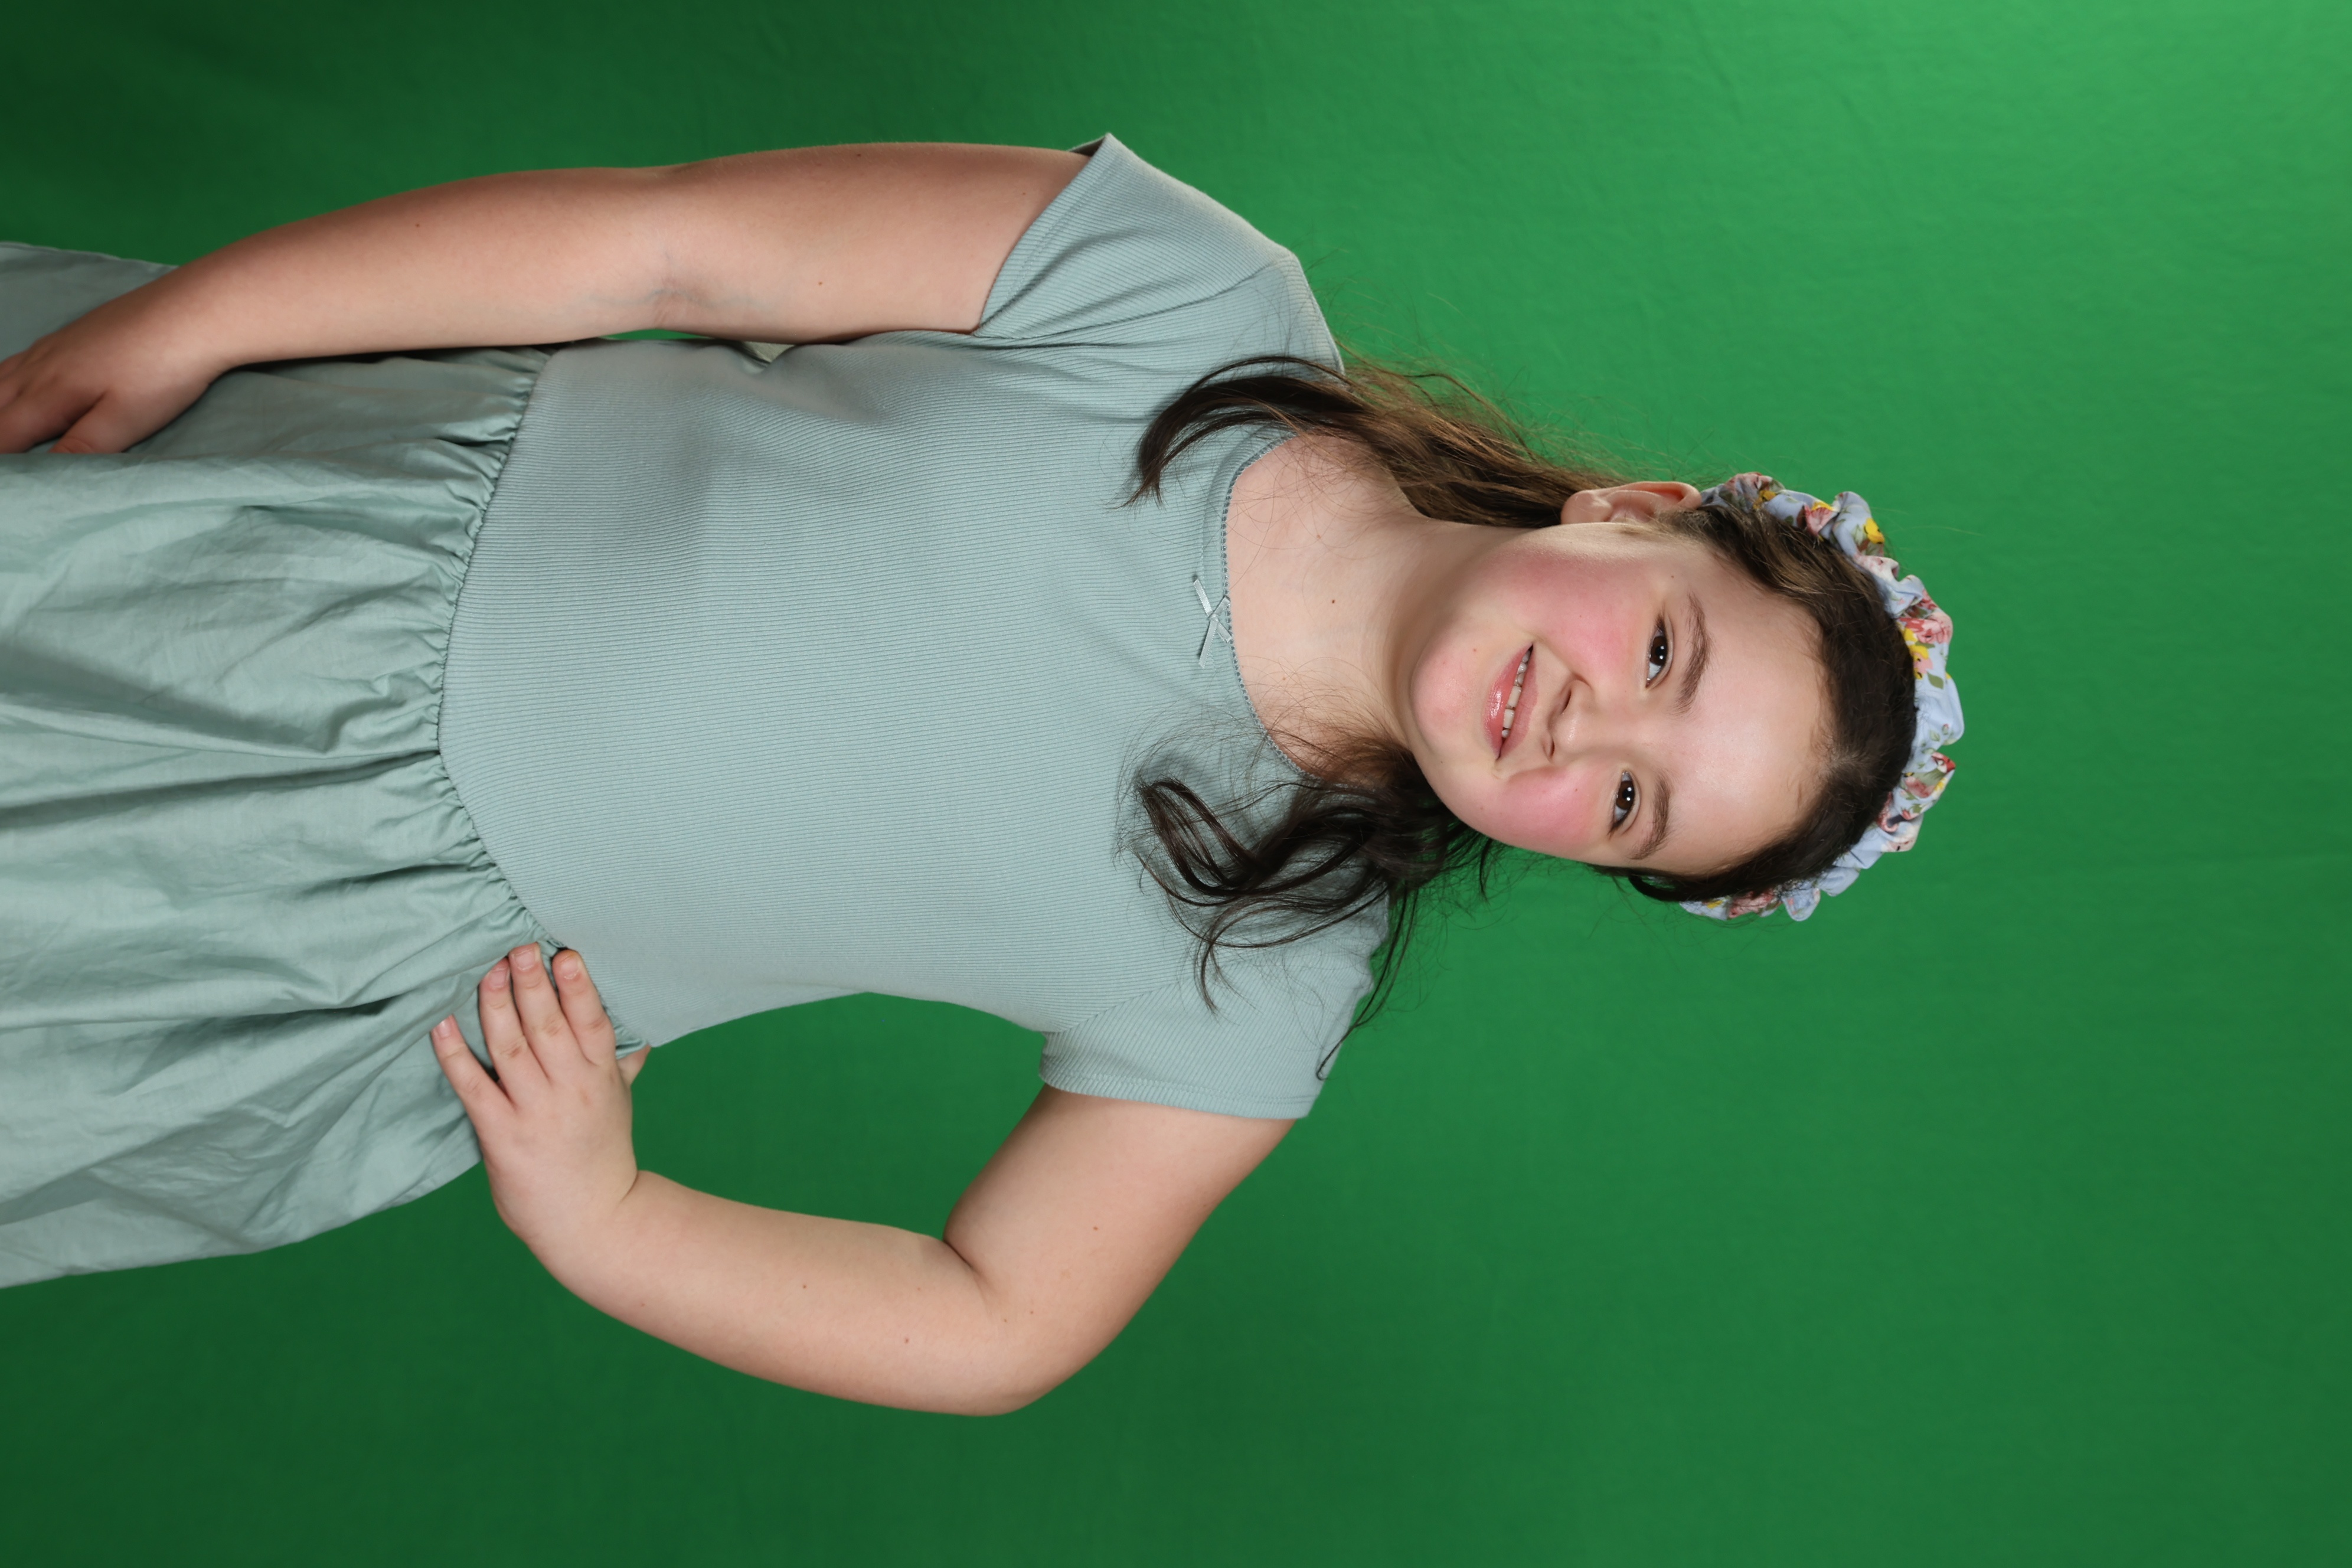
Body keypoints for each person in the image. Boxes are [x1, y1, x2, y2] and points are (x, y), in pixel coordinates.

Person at [0, 136, 1961, 1411]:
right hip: (265, 548)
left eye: (1630, 809)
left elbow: (1001, 1318)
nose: (1587, 728)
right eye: (1664, 654)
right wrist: (203, 314)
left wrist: (613, 1222)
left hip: (289, 945)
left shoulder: (1266, 965)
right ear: (1632, 513)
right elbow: (656, 237)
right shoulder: (1190, 300)